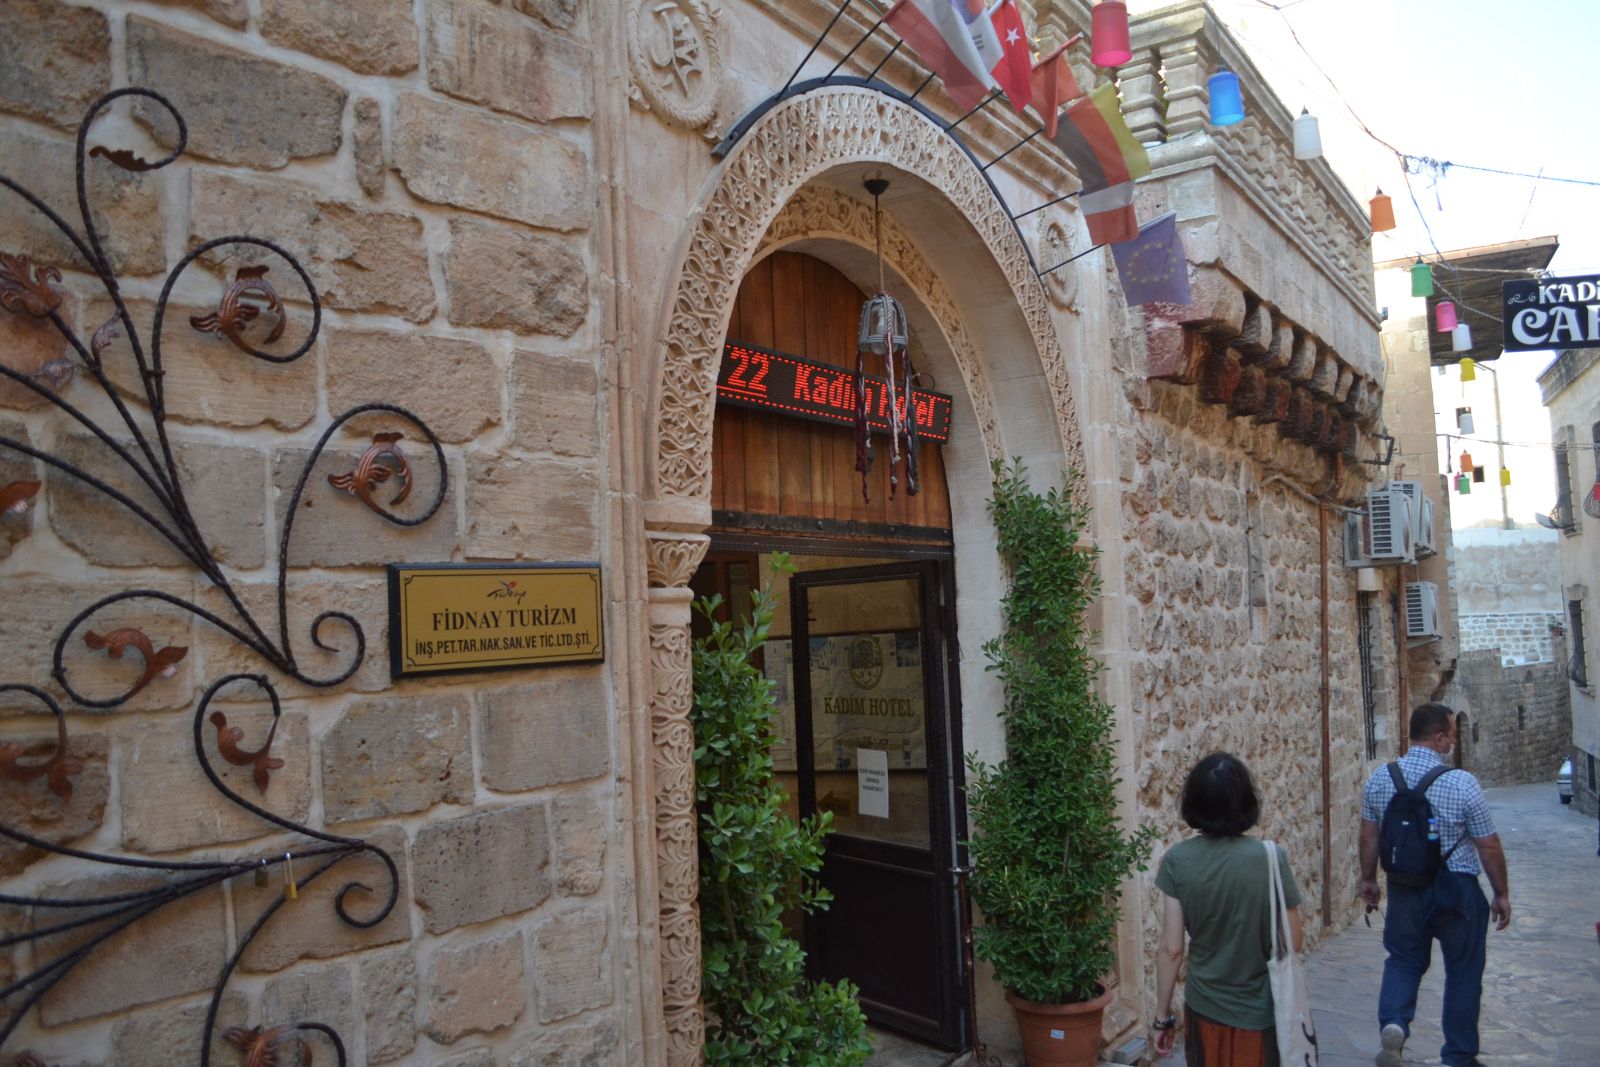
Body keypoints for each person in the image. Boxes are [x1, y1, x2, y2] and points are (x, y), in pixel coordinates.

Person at [1358, 703, 1511, 1067]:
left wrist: (1368, 879)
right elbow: (1488, 844)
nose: (1453, 743)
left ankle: (1394, 1023)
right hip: (1457, 889)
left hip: (1405, 889)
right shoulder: (1462, 782)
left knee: (1403, 960)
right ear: (1439, 737)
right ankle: (1458, 1055)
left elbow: (1368, 835)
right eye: (1452, 736)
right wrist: (1500, 893)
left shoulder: (1380, 779)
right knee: (1464, 971)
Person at [1153, 752, 1303, 1065]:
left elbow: (1171, 949)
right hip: (1259, 1012)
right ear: (1245, 801)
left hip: (1204, 1007)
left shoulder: (1177, 861)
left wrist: (1162, 1017)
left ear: (1194, 802)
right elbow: (1293, 940)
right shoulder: (1272, 859)